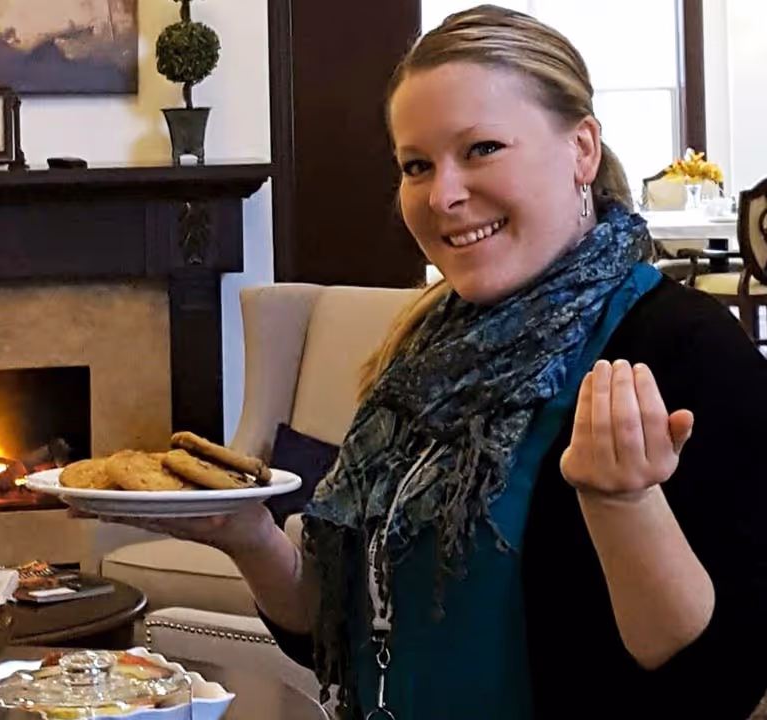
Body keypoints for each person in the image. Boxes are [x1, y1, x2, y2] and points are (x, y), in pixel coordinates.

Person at [87, 6, 767, 718]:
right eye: (416, 165)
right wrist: (249, 535)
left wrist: (623, 503)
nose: (443, 195)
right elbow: (345, 633)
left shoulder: (682, 350)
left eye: (482, 149)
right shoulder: (421, 354)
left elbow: (718, 684)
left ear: (583, 150)